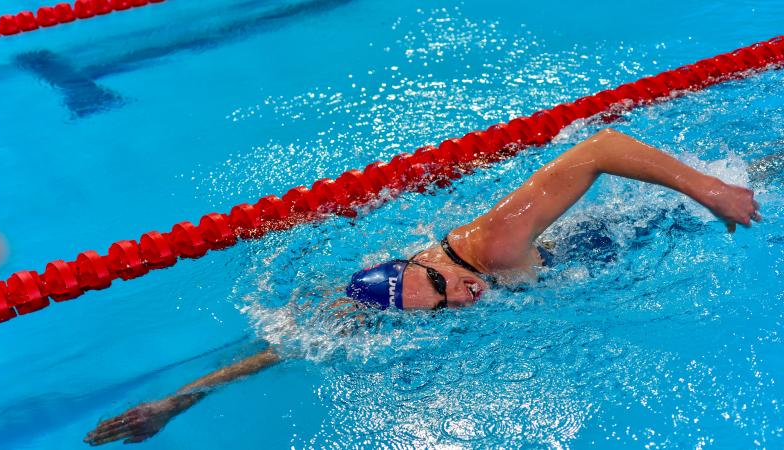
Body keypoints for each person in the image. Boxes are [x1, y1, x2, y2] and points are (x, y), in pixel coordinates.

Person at [84, 128, 760, 445]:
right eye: (441, 307)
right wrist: (179, 399)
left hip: (657, 217)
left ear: (428, 264)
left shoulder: (494, 246)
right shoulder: (394, 299)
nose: (459, 298)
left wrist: (714, 191)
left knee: (767, 181)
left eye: (444, 284)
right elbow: (294, 345)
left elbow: (601, 147)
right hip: (612, 257)